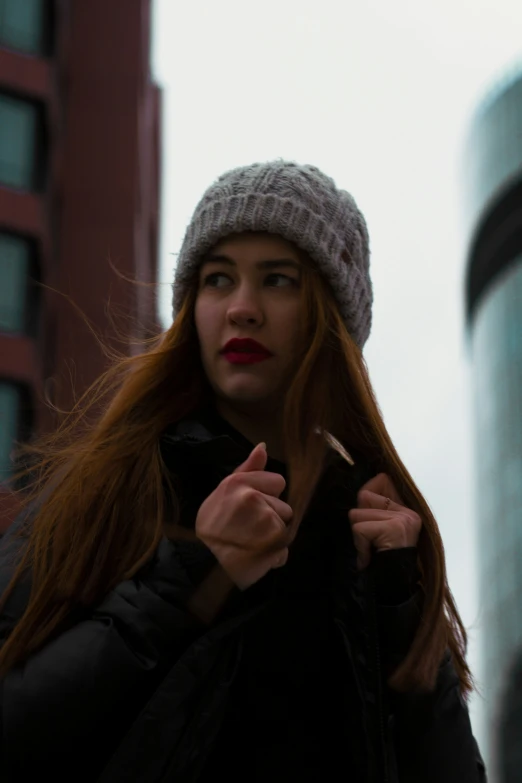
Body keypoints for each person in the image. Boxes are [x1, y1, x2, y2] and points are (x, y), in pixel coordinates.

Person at [0, 161, 486, 782]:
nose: (242, 309)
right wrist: (186, 580)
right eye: (217, 279)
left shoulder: (378, 536)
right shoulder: (117, 486)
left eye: (278, 280)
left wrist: (400, 605)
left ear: (330, 317)